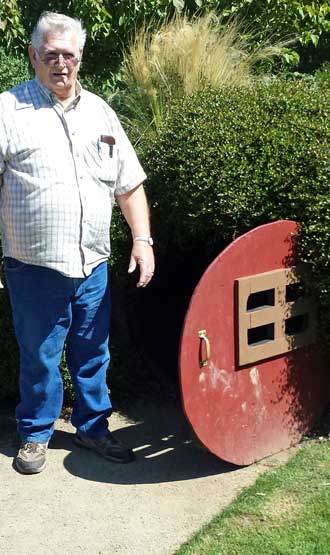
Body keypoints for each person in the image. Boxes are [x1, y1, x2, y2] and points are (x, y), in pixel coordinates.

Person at [0, 11, 155, 474]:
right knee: (40, 355)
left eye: (68, 54)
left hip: (93, 265)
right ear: (33, 56)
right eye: (51, 54)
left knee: (93, 352)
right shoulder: (8, 110)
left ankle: (93, 427)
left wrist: (142, 239)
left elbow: (128, 184)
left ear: (80, 56)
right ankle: (35, 434)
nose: (61, 63)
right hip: (34, 266)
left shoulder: (101, 112)